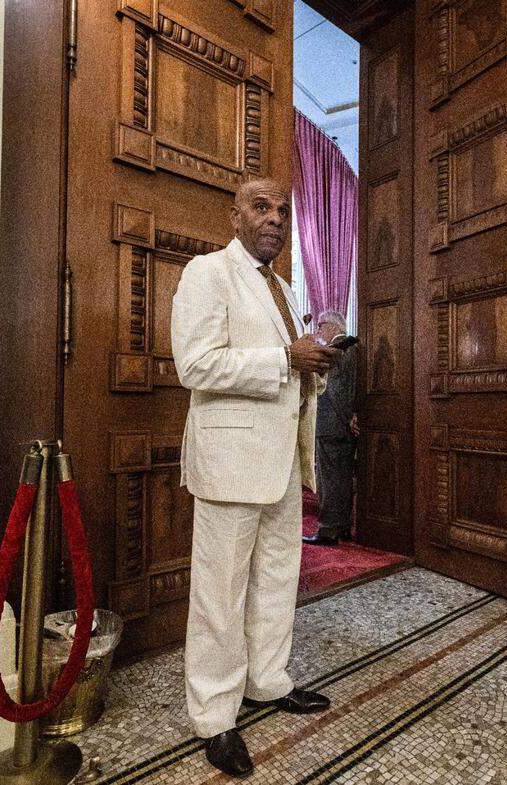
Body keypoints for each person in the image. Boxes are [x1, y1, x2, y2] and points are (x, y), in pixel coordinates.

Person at [170, 178, 340, 777]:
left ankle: (267, 681)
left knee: (275, 577)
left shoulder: (285, 290)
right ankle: (214, 715)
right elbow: (195, 363)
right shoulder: (207, 273)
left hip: (281, 461)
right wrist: (285, 358)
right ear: (235, 214)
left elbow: (293, 368)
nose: (275, 219)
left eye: (283, 211)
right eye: (261, 207)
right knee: (220, 593)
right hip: (229, 463)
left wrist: (317, 359)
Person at [303, 309, 358, 547]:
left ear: (333, 326)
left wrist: (346, 419)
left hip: (330, 424)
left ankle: (327, 531)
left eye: (320, 325)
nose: (318, 331)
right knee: (342, 479)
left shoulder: (338, 349)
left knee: (328, 480)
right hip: (342, 426)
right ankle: (343, 526)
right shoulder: (352, 348)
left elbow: (333, 391)